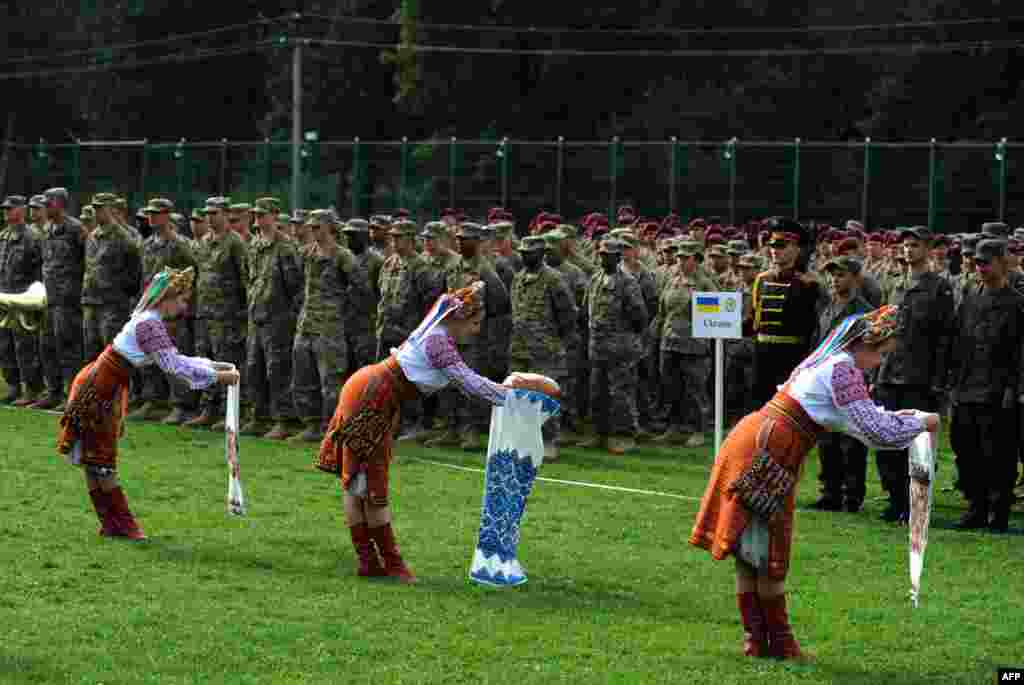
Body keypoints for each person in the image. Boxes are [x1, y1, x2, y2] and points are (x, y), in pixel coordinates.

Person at [690, 305, 939, 660]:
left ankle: (758, 641)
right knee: (768, 553)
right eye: (880, 354)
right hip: (770, 449)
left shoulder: (828, 362)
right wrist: (924, 422)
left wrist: (905, 419)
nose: (878, 363)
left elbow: (863, 419)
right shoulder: (843, 371)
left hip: (754, 438)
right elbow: (876, 431)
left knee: (750, 554)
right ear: (864, 346)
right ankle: (781, 645)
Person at [316, 282, 510, 583]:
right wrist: (512, 397)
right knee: (370, 486)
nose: (475, 330)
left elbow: (448, 298)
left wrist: (474, 288)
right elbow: (468, 383)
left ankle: (370, 562)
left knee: (357, 482)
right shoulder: (438, 342)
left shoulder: (436, 319)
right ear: (457, 318)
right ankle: (391, 565)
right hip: (374, 397)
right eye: (474, 323)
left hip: (369, 388)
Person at [56, 267, 239, 540]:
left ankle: (111, 523)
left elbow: (174, 359)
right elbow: (173, 367)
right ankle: (125, 526)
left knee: (95, 458)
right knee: (100, 458)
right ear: (167, 298)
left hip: (103, 381)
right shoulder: (150, 324)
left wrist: (211, 366)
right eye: (181, 299)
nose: (183, 306)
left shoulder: (147, 320)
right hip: (102, 386)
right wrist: (219, 376)